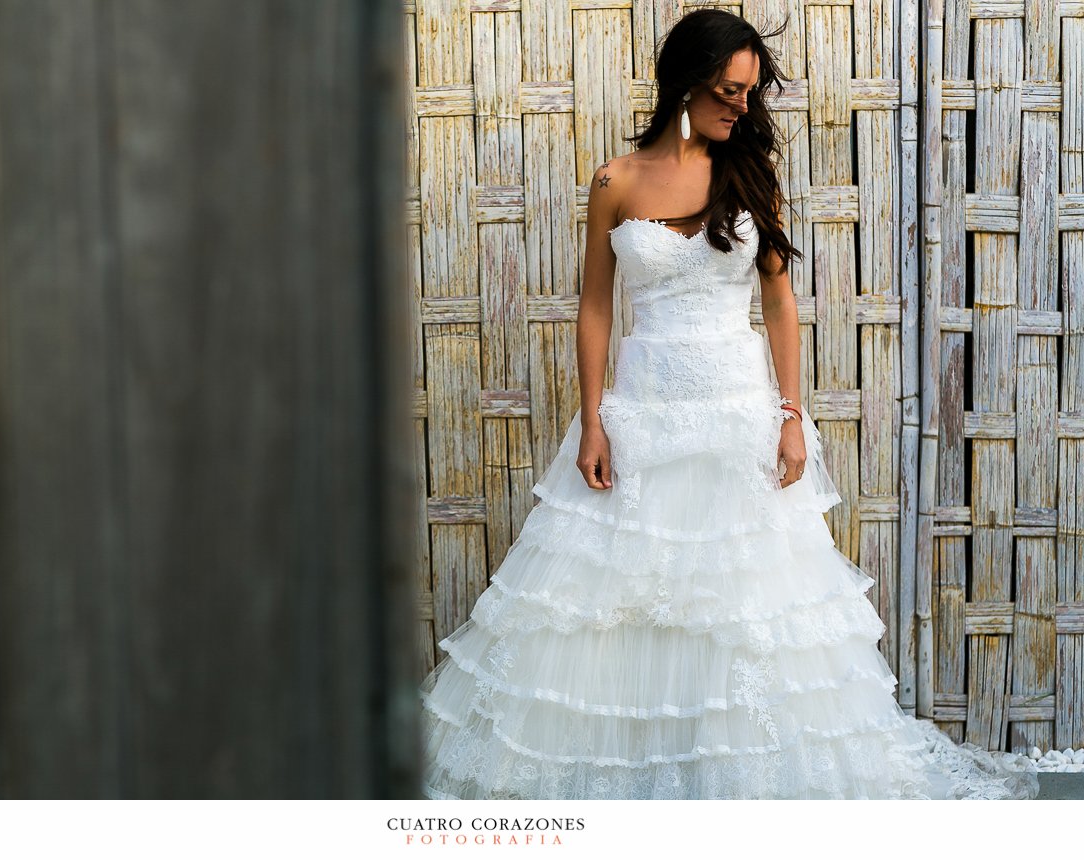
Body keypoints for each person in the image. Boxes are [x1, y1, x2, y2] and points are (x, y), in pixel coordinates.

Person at [418, 8, 1039, 799]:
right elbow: (596, 308)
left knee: (744, 605)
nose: (742, 106)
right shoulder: (615, 181)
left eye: (749, 92)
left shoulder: (748, 175)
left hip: (740, 416)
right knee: (621, 606)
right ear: (686, 81)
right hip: (643, 415)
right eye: (728, 89)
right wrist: (594, 419)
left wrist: (790, 417)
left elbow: (779, 304)